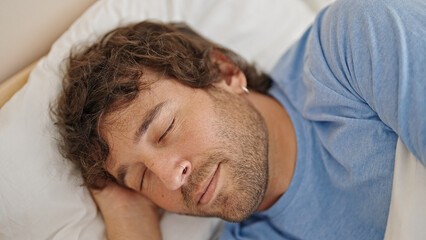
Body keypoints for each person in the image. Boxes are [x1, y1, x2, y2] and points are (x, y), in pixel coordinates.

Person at [53, 0, 425, 239]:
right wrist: (130, 221)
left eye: (165, 129)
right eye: (143, 178)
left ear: (225, 72)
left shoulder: (352, 45)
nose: (169, 177)